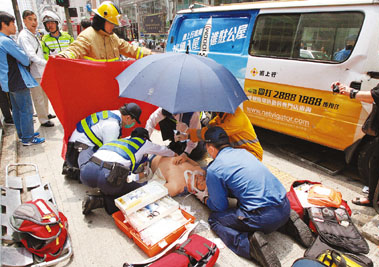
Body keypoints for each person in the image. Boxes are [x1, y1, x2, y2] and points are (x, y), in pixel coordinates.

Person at [197, 127, 312, 267]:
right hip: (284, 204)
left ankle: (250, 245)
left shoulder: (215, 170)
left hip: (263, 217)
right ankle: (288, 223)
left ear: (210, 148)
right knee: (243, 192)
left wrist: (204, 198)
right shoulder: (244, 153)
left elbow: (220, 206)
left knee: (215, 219)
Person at [333, 37, 379, 223]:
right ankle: (372, 198)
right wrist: (347, 90)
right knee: (376, 162)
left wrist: (352, 93)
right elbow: (378, 89)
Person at [80, 127, 176, 215]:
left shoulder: (119, 141)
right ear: (145, 138)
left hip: (87, 173)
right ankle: (100, 200)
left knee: (114, 179)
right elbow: (166, 151)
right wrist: (179, 154)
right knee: (139, 193)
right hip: (107, 177)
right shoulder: (144, 143)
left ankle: (79, 175)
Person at [63, 103, 142, 179]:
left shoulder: (113, 115)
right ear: (128, 117)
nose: (133, 124)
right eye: (133, 121)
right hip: (77, 152)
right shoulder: (113, 125)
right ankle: (75, 170)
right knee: (99, 174)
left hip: (77, 145)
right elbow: (110, 151)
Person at [0, 11, 45, 146]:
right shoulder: (6, 41)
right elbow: (25, 59)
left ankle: (23, 134)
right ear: (4, 24)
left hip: (8, 80)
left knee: (17, 109)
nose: (14, 26)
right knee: (26, 109)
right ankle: (28, 138)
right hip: (18, 79)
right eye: (12, 23)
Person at [58, 1, 151, 61]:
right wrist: (64, 56)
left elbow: (131, 50)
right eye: (111, 23)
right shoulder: (87, 36)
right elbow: (75, 50)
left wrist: (151, 54)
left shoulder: (112, 37)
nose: (113, 26)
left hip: (111, 81)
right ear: (102, 21)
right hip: (96, 85)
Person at [176, 107, 263, 161]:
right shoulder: (221, 117)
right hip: (237, 153)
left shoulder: (236, 118)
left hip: (252, 156)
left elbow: (213, 134)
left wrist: (188, 132)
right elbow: (208, 129)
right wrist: (187, 135)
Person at [17, 10, 55, 128]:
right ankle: (43, 119)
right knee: (38, 96)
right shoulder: (24, 36)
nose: (33, 22)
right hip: (34, 72)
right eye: (30, 19)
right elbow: (31, 56)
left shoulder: (33, 35)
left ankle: (46, 113)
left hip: (41, 70)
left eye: (35, 19)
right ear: (24, 21)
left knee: (44, 94)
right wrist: (46, 63)